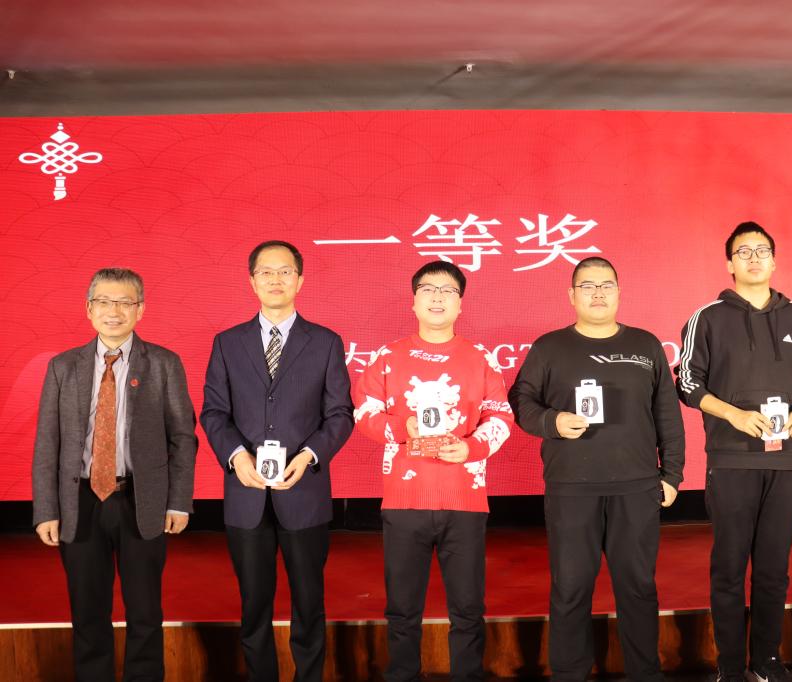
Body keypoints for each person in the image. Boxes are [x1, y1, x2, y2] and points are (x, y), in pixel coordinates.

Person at [509, 256, 684, 682]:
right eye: (587, 286)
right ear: (572, 295)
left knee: (638, 587)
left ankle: (645, 675)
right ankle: (569, 674)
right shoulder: (549, 347)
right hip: (571, 488)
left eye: (606, 285)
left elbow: (667, 414)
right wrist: (552, 421)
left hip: (637, 487)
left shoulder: (645, 345)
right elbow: (521, 401)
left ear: (619, 293)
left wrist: (672, 475)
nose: (598, 293)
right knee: (570, 588)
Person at [32, 267, 197, 681]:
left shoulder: (163, 364)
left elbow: (183, 437)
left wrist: (179, 501)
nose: (114, 311)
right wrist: (46, 510)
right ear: (89, 309)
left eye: (125, 302)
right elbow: (47, 442)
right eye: (104, 301)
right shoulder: (62, 367)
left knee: (145, 611)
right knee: (88, 612)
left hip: (141, 500)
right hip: (80, 502)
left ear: (141, 310)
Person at [200, 240, 354, 682]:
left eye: (285, 271)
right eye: (265, 272)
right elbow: (213, 412)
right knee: (253, 605)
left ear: (300, 280)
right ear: (252, 281)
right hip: (245, 494)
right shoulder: (228, 343)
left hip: (303, 492)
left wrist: (309, 456)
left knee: (309, 602)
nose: (275, 279)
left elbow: (340, 414)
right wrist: (236, 457)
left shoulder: (325, 342)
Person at [353, 260, 513, 682]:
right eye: (428, 289)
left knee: (468, 609)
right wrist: (400, 427)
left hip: (465, 499)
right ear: (413, 301)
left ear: (461, 304)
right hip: (404, 500)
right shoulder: (388, 357)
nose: (437, 297)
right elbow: (364, 412)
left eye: (448, 291)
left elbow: (501, 416)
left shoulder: (480, 358)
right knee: (402, 609)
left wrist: (472, 447)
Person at [675, 221, 792, 682]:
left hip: (785, 459)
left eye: (762, 251)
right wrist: (734, 415)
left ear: (774, 261)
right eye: (744, 252)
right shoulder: (708, 317)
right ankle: (730, 666)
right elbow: (687, 383)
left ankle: (767, 661)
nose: (754, 258)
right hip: (731, 459)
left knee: (774, 569)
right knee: (729, 568)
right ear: (729, 264)